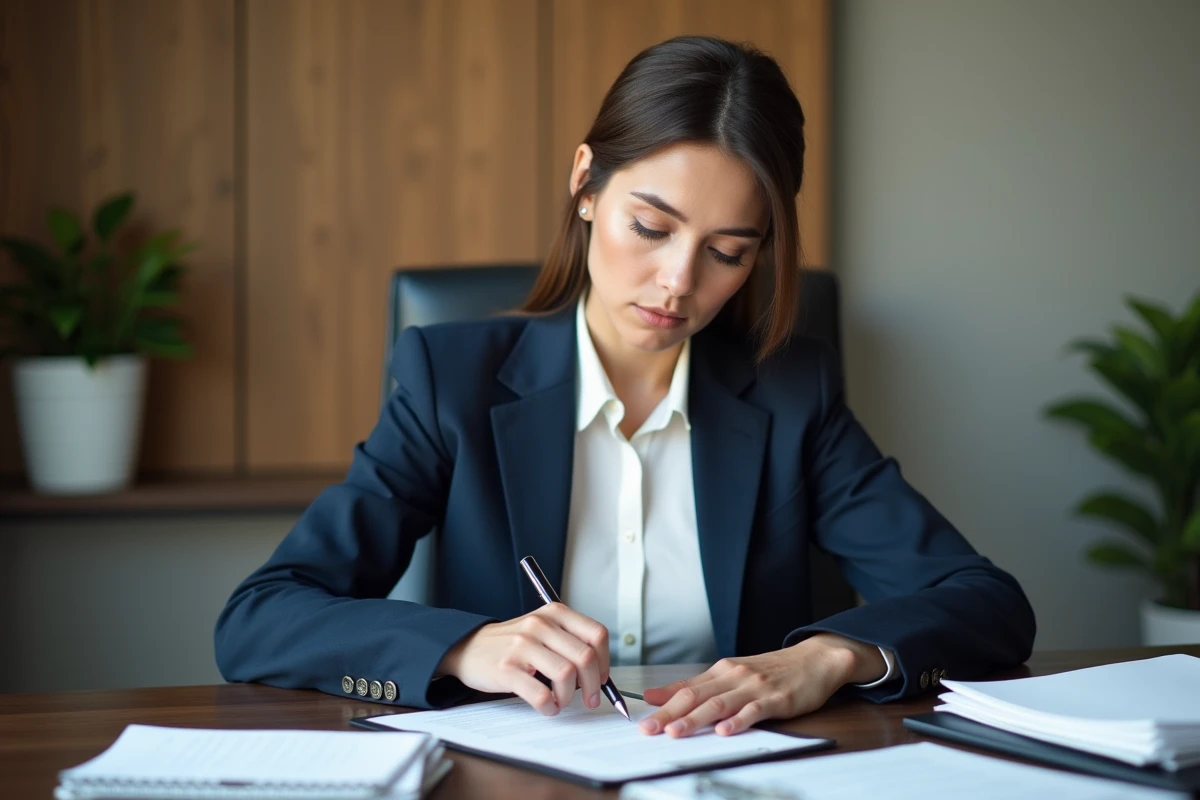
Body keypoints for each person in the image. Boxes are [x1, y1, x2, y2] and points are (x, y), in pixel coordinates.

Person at [214, 35, 1035, 740]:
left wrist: (828, 655)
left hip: (726, 771)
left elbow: (987, 603)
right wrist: (470, 649)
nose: (678, 281)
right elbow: (261, 618)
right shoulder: (448, 382)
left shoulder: (792, 394)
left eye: (728, 251)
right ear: (585, 184)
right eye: (651, 226)